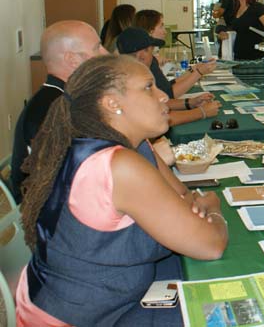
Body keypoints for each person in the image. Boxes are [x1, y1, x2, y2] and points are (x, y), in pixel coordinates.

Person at [16, 55, 227, 326]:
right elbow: (210, 245)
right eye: (148, 87)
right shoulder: (119, 165)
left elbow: (183, 197)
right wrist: (214, 206)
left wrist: (195, 207)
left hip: (96, 297)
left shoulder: (131, 145)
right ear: (112, 103)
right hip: (79, 316)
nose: (163, 96)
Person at [10, 20, 108, 203]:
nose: (105, 53)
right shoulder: (51, 109)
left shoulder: (67, 97)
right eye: (97, 48)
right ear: (72, 59)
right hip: (49, 214)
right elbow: (68, 177)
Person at [117, 27, 221, 126]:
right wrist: (202, 112)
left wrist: (190, 103)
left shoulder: (128, 75)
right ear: (141, 56)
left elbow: (158, 102)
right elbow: (157, 118)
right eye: (151, 51)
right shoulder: (132, 84)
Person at [134, 9, 218, 97]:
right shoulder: (146, 59)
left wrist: (194, 69)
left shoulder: (149, 57)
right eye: (161, 26)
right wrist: (199, 73)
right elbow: (168, 94)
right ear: (150, 31)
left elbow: (167, 86)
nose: (165, 31)